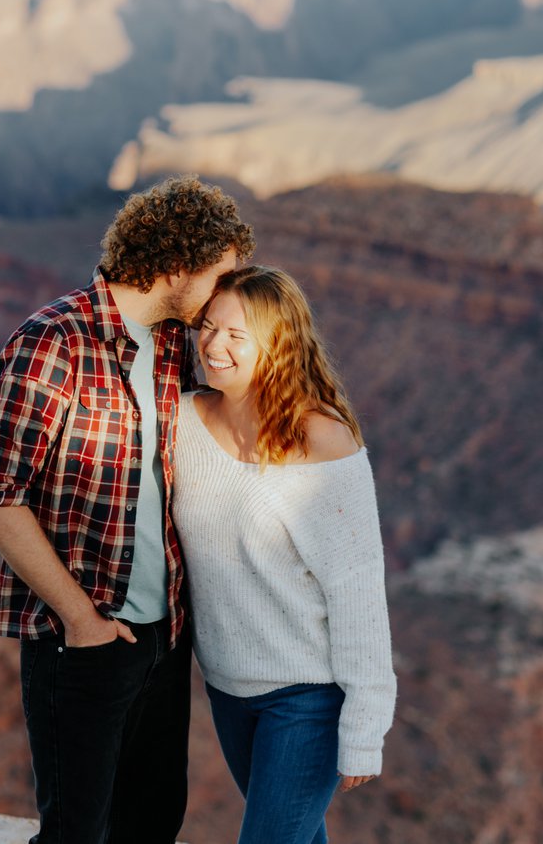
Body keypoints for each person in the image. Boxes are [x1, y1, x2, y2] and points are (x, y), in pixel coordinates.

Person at [0, 175, 256, 844]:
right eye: (221, 275)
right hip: (85, 640)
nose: (226, 294)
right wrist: (81, 617)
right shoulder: (53, 343)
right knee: (74, 832)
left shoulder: (171, 343)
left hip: (163, 637)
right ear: (176, 265)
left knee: (152, 824)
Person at [172, 264, 396, 844]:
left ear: (280, 345)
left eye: (236, 335)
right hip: (226, 688)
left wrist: (365, 727)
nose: (214, 346)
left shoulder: (322, 441)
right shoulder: (183, 421)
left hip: (306, 698)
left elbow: (357, 588)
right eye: (207, 327)